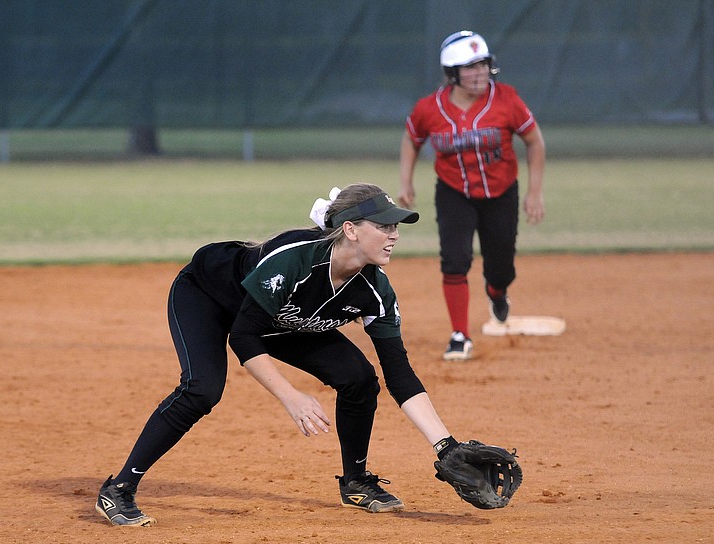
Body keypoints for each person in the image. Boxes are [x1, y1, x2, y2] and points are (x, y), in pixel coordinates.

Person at [95, 183, 476, 526]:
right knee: (202, 389)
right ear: (351, 229)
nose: (394, 235)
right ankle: (120, 489)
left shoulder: (375, 291)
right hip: (209, 297)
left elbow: (400, 373)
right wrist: (290, 396)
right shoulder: (295, 261)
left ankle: (356, 482)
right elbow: (244, 336)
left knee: (359, 379)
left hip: (282, 319)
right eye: (384, 226)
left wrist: (445, 445)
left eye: (396, 228)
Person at [398, 30, 546, 361]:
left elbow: (534, 141)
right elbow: (412, 138)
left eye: (482, 65)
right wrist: (405, 181)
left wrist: (534, 193)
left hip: (501, 192)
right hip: (453, 192)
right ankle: (459, 334)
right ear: (452, 74)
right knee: (454, 259)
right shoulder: (429, 108)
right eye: (469, 67)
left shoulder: (506, 99)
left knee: (501, 265)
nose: (479, 73)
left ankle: (497, 291)